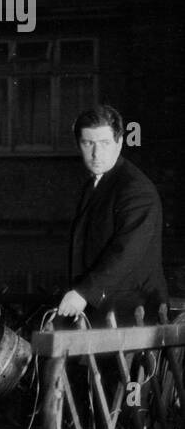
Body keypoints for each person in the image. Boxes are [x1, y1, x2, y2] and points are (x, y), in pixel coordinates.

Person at [57, 105, 168, 325]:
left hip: (133, 317)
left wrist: (83, 293)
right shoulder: (95, 183)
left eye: (105, 143)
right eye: (88, 143)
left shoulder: (135, 189)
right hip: (104, 312)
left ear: (119, 143)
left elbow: (126, 251)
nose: (96, 154)